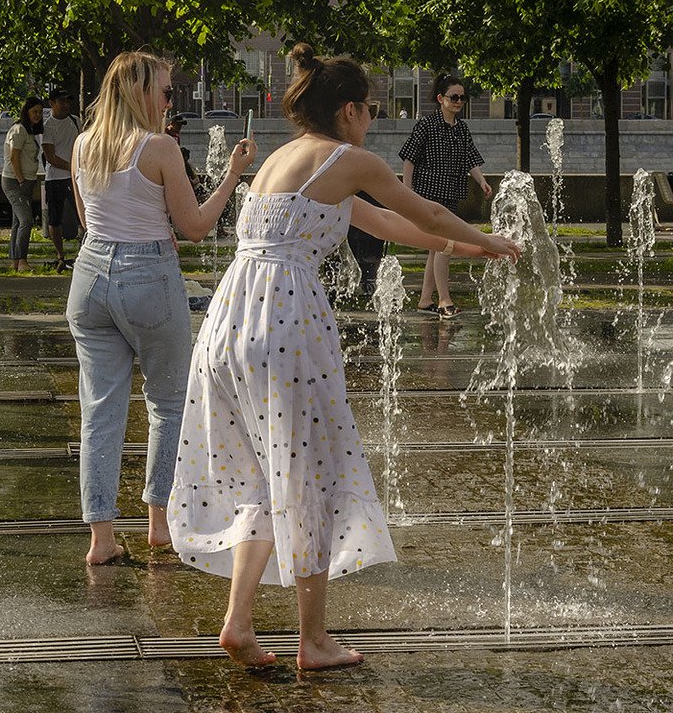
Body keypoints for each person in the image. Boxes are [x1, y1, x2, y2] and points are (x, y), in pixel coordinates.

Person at [167, 43, 519, 670]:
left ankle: (239, 624)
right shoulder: (350, 159)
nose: (374, 121)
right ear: (351, 110)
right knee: (309, 475)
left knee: (259, 473)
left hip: (228, 323)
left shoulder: (284, 159)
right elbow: (428, 208)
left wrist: (466, 251)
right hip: (285, 322)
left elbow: (391, 226)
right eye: (373, 110)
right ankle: (313, 639)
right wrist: (486, 234)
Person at [66, 51, 256, 566]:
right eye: (167, 92)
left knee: (99, 411)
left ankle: (101, 538)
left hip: (90, 278)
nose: (172, 101)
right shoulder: (160, 148)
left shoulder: (84, 145)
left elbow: (88, 219)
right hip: (147, 275)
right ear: (142, 93)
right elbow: (194, 228)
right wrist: (233, 174)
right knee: (168, 404)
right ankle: (157, 524)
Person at [399, 73, 492, 319]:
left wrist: (481, 181)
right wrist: (407, 193)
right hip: (428, 196)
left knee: (436, 247)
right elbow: (409, 159)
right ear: (441, 98)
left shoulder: (462, 129)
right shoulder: (426, 125)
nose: (459, 101)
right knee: (444, 246)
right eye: (454, 97)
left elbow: (471, 158)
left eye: (462, 97)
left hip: (450, 195)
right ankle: (444, 300)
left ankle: (426, 299)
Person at [1, 96, 44, 271]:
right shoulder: (18, 130)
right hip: (15, 181)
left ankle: (15, 262)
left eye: (40, 112)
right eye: (34, 111)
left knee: (18, 222)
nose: (38, 115)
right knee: (27, 221)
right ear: (26, 112)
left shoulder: (31, 132)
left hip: (26, 181)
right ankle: (22, 261)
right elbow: (14, 156)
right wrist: (21, 180)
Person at [42, 89, 81, 273]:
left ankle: (83, 253)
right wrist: (70, 166)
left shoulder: (74, 121)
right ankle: (60, 256)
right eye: (61, 101)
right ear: (52, 103)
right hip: (56, 178)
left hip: (75, 177)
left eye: (67, 101)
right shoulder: (48, 126)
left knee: (82, 214)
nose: (65, 104)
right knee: (55, 218)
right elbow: (50, 157)